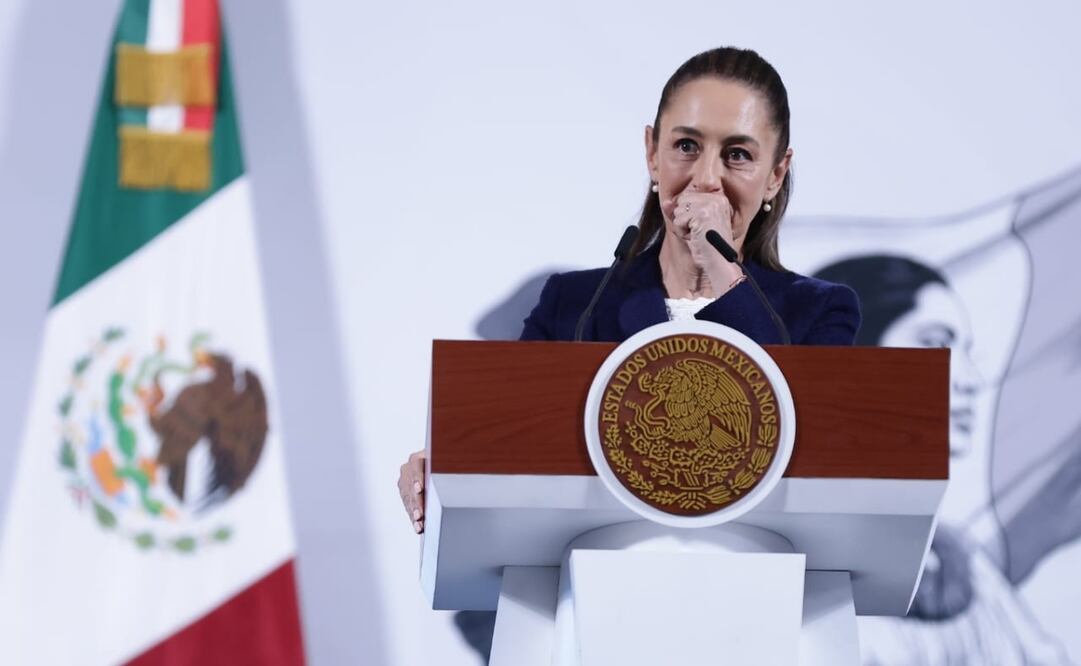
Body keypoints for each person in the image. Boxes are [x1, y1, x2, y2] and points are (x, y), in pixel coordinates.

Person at [398, 46, 861, 536]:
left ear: (775, 175)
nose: (706, 178)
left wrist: (719, 265)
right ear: (652, 153)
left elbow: (803, 447)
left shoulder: (819, 311)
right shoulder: (575, 305)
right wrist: (444, 467)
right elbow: (512, 437)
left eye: (738, 155)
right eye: (686, 146)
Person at [814, 255, 1073, 665]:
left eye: (967, 352)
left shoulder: (966, 567)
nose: (972, 380)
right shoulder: (784, 556)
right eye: (936, 343)